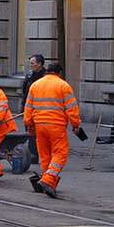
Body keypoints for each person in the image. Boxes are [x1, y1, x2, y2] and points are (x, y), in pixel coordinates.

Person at [23, 63, 81, 198]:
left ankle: (49, 183)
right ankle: (48, 179)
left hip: (39, 125)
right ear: (59, 73)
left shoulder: (35, 85)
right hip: (56, 125)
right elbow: (71, 108)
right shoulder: (63, 85)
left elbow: (28, 107)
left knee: (44, 155)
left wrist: (29, 125)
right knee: (60, 153)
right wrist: (75, 124)